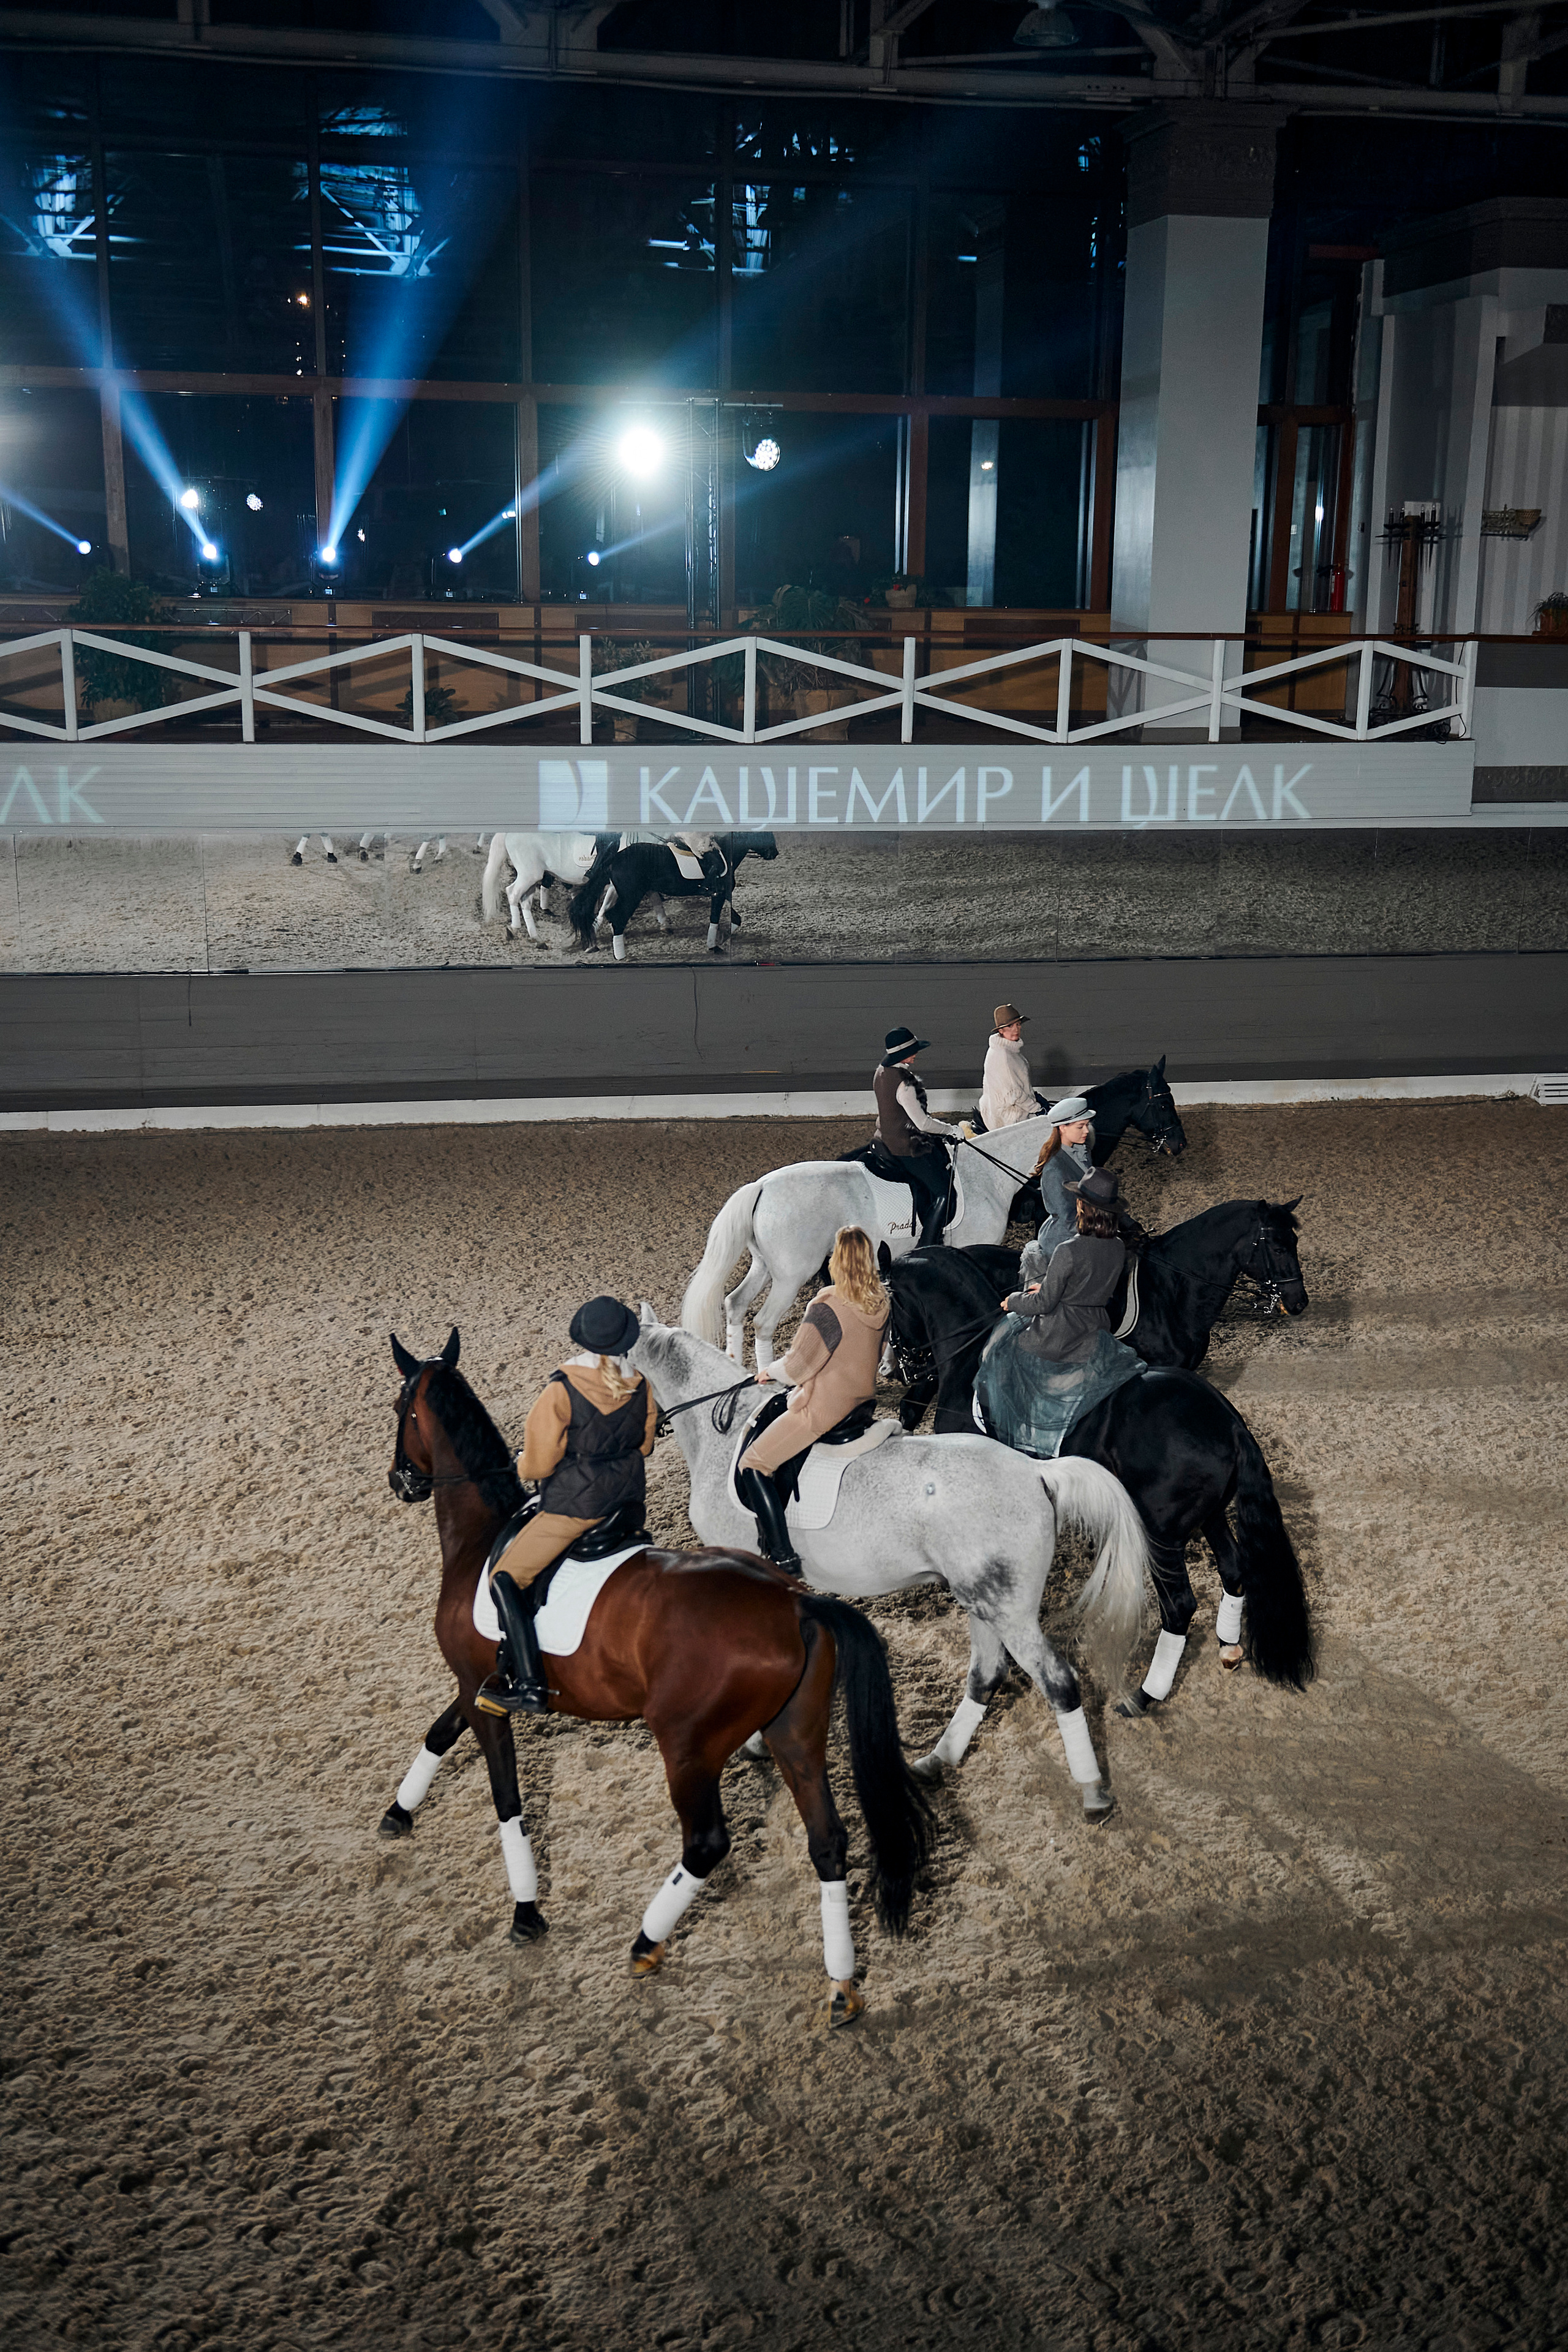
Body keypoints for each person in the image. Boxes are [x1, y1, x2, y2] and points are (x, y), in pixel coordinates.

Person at [476, 1295, 657, 1717]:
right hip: (628, 1501)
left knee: (504, 1578)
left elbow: (538, 1465)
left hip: (576, 1508)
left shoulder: (562, 1389)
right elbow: (645, 1446)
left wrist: (521, 1461)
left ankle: (528, 1685)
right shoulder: (642, 1384)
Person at [736, 1225, 890, 1578]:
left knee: (754, 1463)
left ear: (836, 1260)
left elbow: (800, 1365)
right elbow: (879, 1352)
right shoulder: (882, 1301)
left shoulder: (827, 1305)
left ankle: (782, 1555)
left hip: (825, 1409)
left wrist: (769, 1372)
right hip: (862, 1403)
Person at [978, 1168, 1145, 1458]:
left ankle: (1017, 1432)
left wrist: (1014, 1300)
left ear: (1082, 1206)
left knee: (1003, 1350)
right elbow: (1090, 1284)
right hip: (1095, 1328)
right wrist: (1048, 1285)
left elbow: (1044, 1305)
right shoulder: (1118, 1247)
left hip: (1059, 1332)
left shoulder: (1069, 1249)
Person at [872, 1025, 959, 1246]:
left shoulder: (880, 1072)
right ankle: (928, 1243)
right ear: (902, 1055)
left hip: (883, 1139)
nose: (916, 1054)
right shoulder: (905, 1083)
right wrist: (950, 1129)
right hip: (906, 1147)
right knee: (944, 1193)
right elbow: (922, 1122)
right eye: (912, 1051)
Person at [978, 1002, 1038, 1131]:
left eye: (1018, 1024)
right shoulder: (1003, 1055)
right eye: (1010, 1026)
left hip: (1011, 1114)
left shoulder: (1007, 1050)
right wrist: (1037, 1109)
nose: (1016, 1029)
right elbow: (1014, 1093)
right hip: (1012, 1119)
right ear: (1001, 1030)